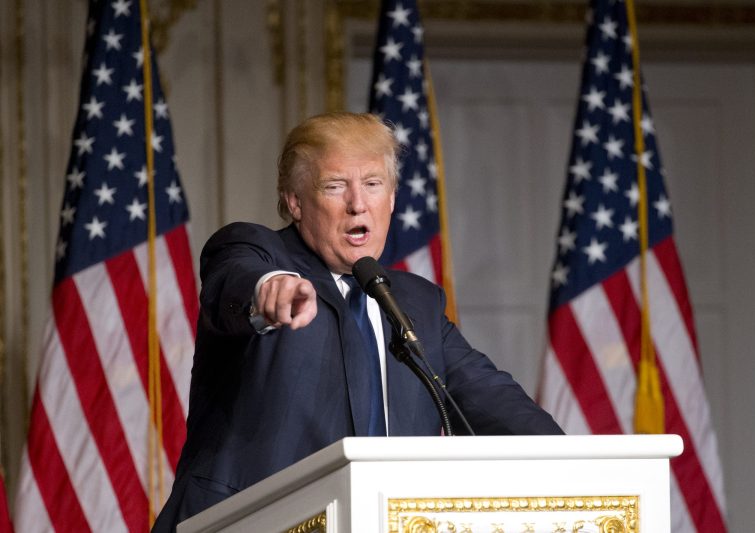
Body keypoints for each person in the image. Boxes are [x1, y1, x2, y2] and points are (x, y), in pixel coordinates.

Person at [152, 112, 563, 531]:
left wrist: (575, 462)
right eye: (334, 187)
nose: (357, 203)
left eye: (372, 184)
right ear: (295, 201)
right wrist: (269, 290)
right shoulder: (259, 253)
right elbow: (234, 279)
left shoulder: (413, 301)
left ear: (392, 198)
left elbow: (490, 400)